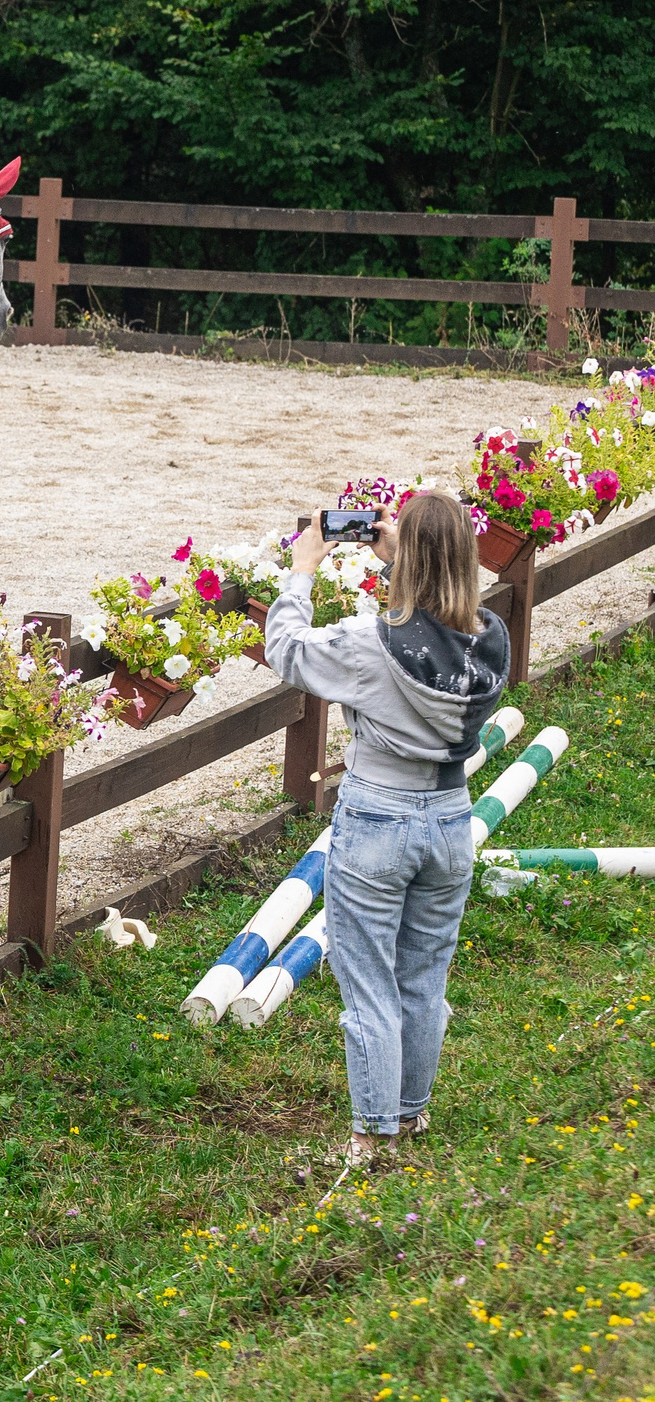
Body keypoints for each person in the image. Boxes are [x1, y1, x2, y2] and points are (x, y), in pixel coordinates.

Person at [265, 492, 510, 1163]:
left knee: (369, 979)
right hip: (452, 817)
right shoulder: (491, 641)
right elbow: (433, 628)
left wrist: (304, 569)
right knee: (424, 975)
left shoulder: (369, 644)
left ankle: (373, 1135)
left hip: (377, 815)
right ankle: (410, 1111)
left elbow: (285, 649)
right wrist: (408, 558)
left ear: (415, 559)